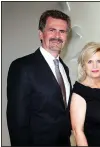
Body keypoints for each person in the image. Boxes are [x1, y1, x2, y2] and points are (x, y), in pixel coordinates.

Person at [7, 10, 72, 146]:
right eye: (52, 30)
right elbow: (17, 121)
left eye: (62, 31)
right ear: (41, 34)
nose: (57, 36)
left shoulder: (64, 68)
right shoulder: (22, 67)